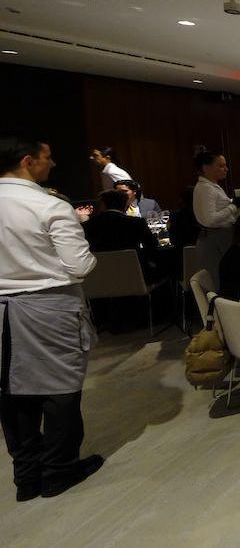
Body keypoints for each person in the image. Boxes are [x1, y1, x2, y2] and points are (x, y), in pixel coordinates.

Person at [0, 138, 105, 501]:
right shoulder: (48, 205)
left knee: (12, 391)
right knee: (60, 388)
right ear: (27, 162)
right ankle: (59, 471)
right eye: (47, 157)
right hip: (48, 306)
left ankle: (27, 476)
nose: (53, 163)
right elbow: (79, 266)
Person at [192, 151, 240, 285]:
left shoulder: (211, 186)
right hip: (216, 238)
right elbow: (210, 219)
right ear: (206, 168)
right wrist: (234, 206)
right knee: (219, 278)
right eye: (220, 166)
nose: (226, 169)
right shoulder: (207, 188)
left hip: (219, 235)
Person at [82, 189, 161, 281]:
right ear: (125, 205)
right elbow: (152, 245)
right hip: (134, 275)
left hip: (100, 277)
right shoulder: (136, 223)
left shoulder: (87, 225)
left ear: (102, 205)